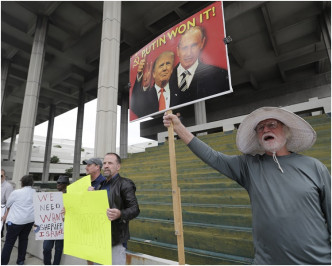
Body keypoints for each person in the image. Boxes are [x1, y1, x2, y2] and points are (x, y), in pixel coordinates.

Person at [163, 107, 331, 264]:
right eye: (260, 128)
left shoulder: (314, 167)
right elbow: (213, 157)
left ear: (286, 130)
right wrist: (179, 128)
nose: (266, 130)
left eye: (272, 125)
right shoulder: (249, 166)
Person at [89, 152, 140, 265]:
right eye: (105, 163)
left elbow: (135, 209)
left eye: (110, 163)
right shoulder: (99, 186)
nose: (106, 166)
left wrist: (120, 214)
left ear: (118, 167)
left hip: (116, 240)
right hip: (99, 239)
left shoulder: (125, 184)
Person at [169, 26, 230, 104]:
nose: (189, 53)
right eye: (184, 48)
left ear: (202, 43)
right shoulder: (164, 81)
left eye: (194, 46)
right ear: (177, 50)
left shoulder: (220, 76)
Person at [130, 51, 179, 118]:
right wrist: (140, 75)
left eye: (168, 64)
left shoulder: (178, 91)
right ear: (153, 73)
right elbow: (135, 106)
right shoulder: (147, 96)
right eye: (161, 65)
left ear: (171, 70)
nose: (165, 68)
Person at [1, 175, 36, 265]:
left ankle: (3, 262)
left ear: (22, 182)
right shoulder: (35, 192)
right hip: (29, 221)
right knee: (23, 240)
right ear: (32, 183)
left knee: (9, 243)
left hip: (15, 221)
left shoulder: (16, 192)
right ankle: (20, 260)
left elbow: (8, 204)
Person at [43, 175, 70, 265]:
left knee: (58, 249)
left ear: (66, 185)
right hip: (51, 226)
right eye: (57, 182)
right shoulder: (52, 196)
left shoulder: (70, 197)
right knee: (46, 248)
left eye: (60, 183)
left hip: (62, 227)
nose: (58, 184)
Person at [1, 169, 14, 238]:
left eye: (1, 176)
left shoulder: (8, 186)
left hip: (2, 210)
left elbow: (9, 203)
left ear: (4, 176)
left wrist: (5, 215)